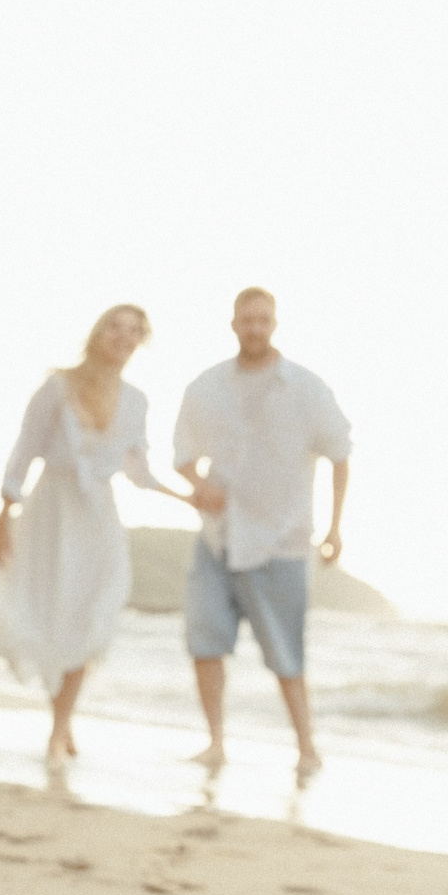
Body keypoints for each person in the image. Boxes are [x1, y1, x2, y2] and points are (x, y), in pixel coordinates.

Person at [0, 305, 187, 762]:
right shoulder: (58, 386)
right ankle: (60, 721)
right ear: (98, 333)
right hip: (51, 512)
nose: (124, 336)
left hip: (99, 516)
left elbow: (138, 469)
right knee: (51, 611)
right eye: (116, 326)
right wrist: (4, 517)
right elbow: (26, 449)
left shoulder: (136, 400)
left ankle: (60, 725)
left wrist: (188, 499)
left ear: (141, 342)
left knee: (93, 609)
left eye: (135, 331)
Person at [174, 286, 352, 778]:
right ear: (233, 324)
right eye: (246, 319)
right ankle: (215, 744)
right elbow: (183, 454)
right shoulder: (206, 387)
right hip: (217, 538)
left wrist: (336, 528)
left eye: (263, 320)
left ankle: (307, 749)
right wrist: (198, 483)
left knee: (287, 652)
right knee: (205, 642)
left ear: (275, 324)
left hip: (283, 541)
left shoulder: (307, 388)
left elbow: (340, 454)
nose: (254, 327)